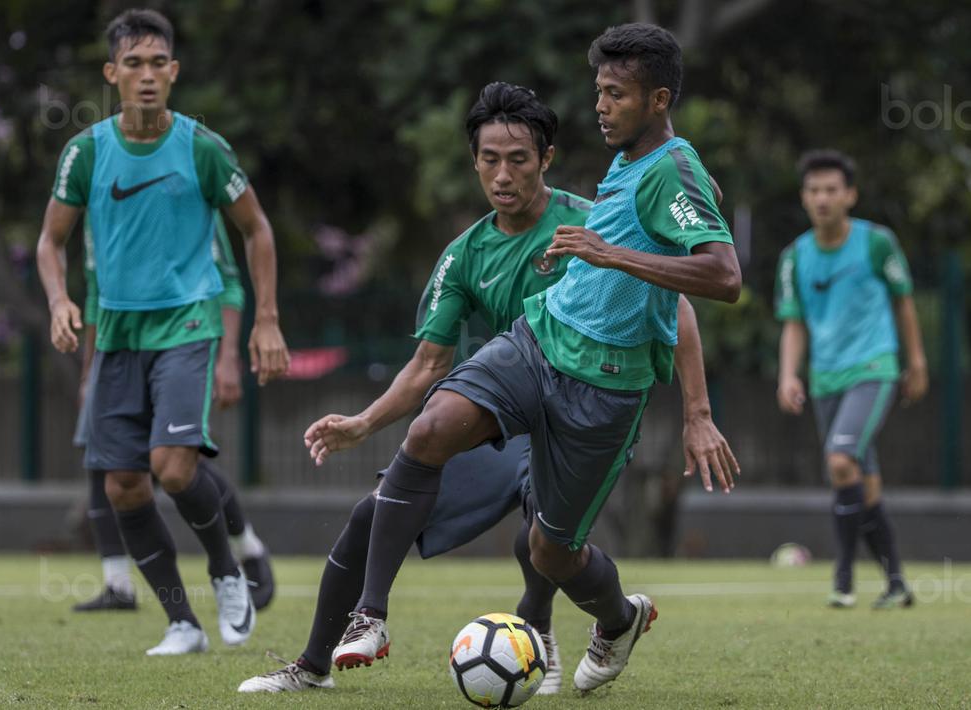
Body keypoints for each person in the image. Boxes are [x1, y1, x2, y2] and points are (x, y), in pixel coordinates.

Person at [238, 81, 735, 694]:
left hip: (585, 398)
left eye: (519, 159)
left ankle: (559, 627)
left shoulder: (591, 220)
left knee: (547, 544)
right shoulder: (465, 254)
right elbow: (426, 365)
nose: (503, 175)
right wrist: (364, 423)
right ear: (474, 163)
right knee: (379, 505)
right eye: (489, 160)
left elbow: (677, 305)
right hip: (506, 407)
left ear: (545, 160)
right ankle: (316, 663)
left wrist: (697, 411)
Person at [36, 8, 290, 655]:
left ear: (173, 72)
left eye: (157, 64)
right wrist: (60, 299)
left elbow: (255, 228)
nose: (146, 76)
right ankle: (182, 622)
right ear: (111, 72)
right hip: (118, 332)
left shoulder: (202, 148)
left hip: (188, 322)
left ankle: (228, 572)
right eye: (133, 64)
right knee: (124, 484)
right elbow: (50, 240)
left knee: (172, 469)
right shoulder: (86, 151)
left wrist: (264, 319)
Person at [70, 215, 274, 613]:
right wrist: (88, 371)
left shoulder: (186, 179)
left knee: (178, 460)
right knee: (107, 460)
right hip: (119, 351)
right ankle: (120, 585)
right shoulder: (98, 201)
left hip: (181, 343)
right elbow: (97, 291)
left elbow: (229, 281)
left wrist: (227, 355)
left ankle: (243, 553)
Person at [774, 149, 928, 609]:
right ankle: (896, 582)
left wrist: (915, 362)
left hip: (873, 369)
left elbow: (904, 301)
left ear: (850, 195)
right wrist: (787, 375)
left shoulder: (877, 243)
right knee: (864, 480)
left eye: (832, 190)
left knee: (841, 460)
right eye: (814, 190)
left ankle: (842, 580)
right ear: (804, 197)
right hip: (825, 379)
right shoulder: (794, 258)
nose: (823, 198)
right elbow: (794, 322)